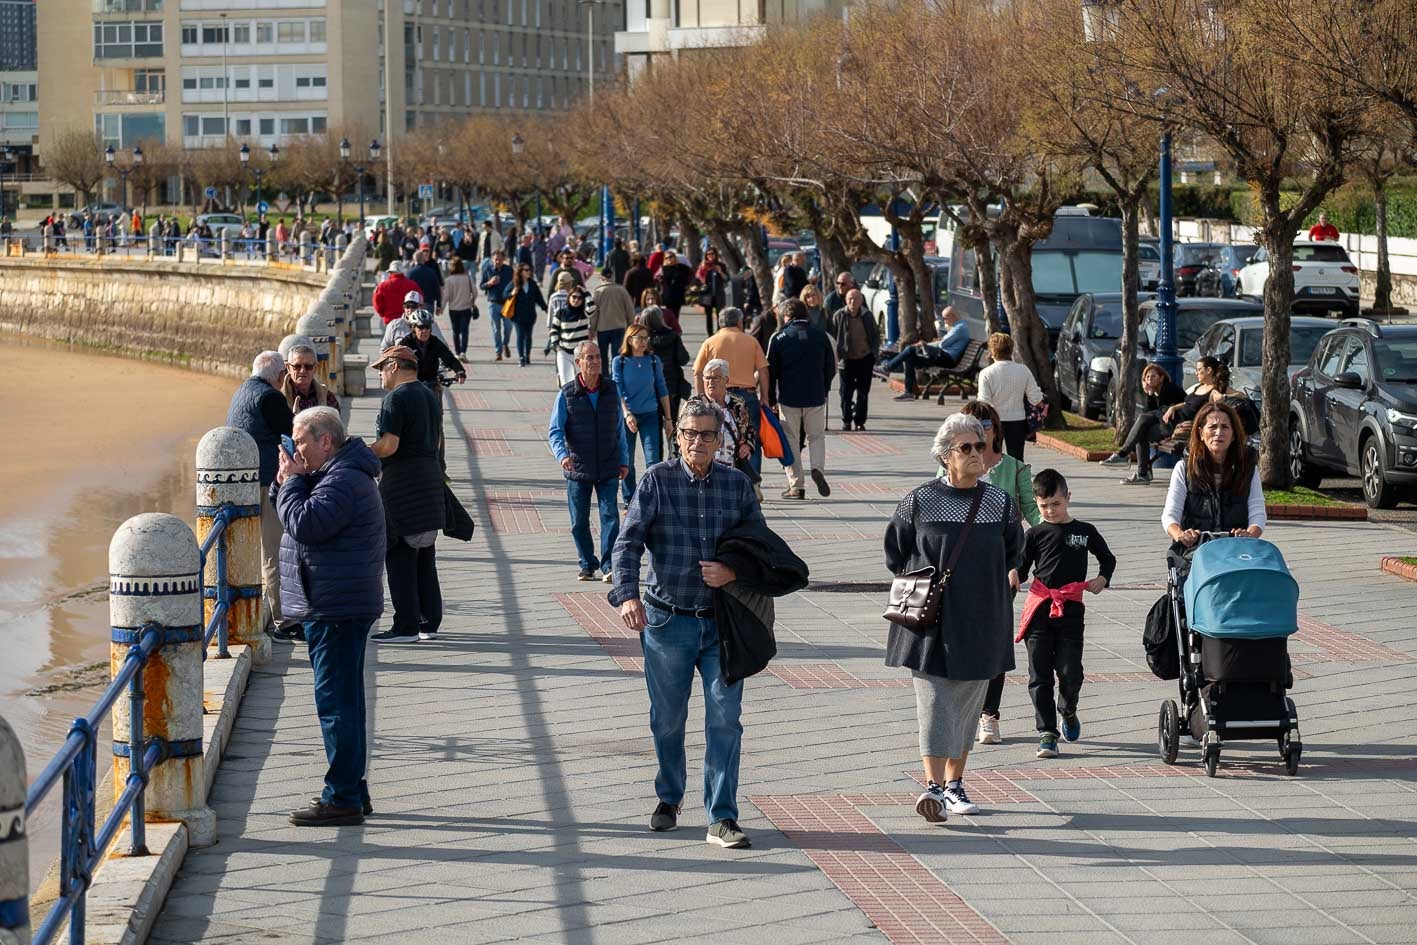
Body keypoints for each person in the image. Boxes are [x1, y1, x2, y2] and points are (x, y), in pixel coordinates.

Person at [608, 399, 765, 849]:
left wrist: (732, 572)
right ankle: (669, 797)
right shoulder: (658, 480)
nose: (699, 442)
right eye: (690, 434)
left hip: (722, 626)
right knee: (668, 721)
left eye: (708, 435)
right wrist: (627, 595)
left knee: (725, 719)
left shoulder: (736, 486)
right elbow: (628, 542)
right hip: (666, 620)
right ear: (677, 436)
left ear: (721, 440)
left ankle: (722, 816)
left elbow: (761, 548)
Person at [885, 413, 1023, 824]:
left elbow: (1016, 550)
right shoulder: (919, 500)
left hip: (983, 618)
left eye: (980, 446)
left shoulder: (1000, 502)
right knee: (934, 703)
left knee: (966, 707)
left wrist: (1012, 572)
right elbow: (896, 552)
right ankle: (932, 788)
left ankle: (954, 784)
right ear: (946, 456)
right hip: (931, 622)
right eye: (966, 447)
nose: (976, 454)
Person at [272, 406, 384, 827]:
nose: (296, 450)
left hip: (336, 607)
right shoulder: (336, 474)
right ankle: (353, 788)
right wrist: (288, 480)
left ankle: (341, 796)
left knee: (337, 705)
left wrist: (295, 482)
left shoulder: (343, 479)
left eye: (301, 442)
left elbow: (304, 521)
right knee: (347, 703)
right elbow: (290, 505)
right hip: (337, 602)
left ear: (325, 441)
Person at [1008, 469, 1115, 760]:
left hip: (1071, 609)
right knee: (1039, 673)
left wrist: (1102, 579)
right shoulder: (1035, 533)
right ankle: (1047, 733)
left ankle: (1068, 709)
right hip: (1040, 608)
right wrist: (1015, 573)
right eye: (1043, 506)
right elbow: (1021, 562)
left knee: (1070, 671)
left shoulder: (1084, 531)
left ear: (1068, 498)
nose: (1050, 511)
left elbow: (1107, 558)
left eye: (1055, 504)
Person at [954, 400, 1040, 746]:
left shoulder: (1014, 468)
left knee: (995, 642)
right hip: (958, 568)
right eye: (972, 425)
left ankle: (989, 715)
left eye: (986, 425)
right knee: (959, 640)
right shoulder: (950, 466)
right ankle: (962, 708)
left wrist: (1057, 534)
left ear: (996, 430)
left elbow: (1033, 512)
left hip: (1001, 568)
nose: (980, 431)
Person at [369, 346, 447, 642]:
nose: (379, 375)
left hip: (402, 484)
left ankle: (406, 625)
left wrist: (360, 451)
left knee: (399, 552)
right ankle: (430, 620)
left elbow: (389, 445)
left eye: (381, 368)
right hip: (429, 479)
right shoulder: (429, 394)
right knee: (425, 553)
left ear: (393, 366)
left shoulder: (396, 398)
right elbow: (437, 439)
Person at [227, 352, 295, 639]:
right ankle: (284, 621)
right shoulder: (271, 398)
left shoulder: (242, 391)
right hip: (267, 482)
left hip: (242, 483)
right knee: (274, 552)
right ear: (280, 376)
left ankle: (251, 614)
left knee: (255, 553)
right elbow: (290, 435)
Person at [548, 341, 630, 581]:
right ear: (578, 363)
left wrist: (624, 461)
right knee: (579, 521)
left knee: (610, 517)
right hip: (578, 466)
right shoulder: (566, 394)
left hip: (607, 464)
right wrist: (562, 455)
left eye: (597, 357)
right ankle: (586, 563)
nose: (595, 362)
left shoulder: (611, 390)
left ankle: (609, 566)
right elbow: (555, 430)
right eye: (589, 358)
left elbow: (619, 430)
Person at [1110, 357, 1234, 485]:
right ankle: (1138, 469)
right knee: (1142, 428)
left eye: (1199, 370)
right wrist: (1174, 407)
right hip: (1174, 417)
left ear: (1209, 370)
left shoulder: (1215, 389)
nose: (1196, 373)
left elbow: (1240, 395)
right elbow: (1187, 403)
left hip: (1180, 424)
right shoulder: (1199, 387)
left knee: (1143, 421)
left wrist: (1224, 397)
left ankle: (1125, 457)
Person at [1163, 400, 1266, 551]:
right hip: (1196, 550)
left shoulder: (1248, 467)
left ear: (1234, 435)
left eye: (1225, 427)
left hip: (1235, 549)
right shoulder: (1184, 468)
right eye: (1212, 427)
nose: (1219, 433)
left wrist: (1249, 534)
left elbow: (1258, 513)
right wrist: (1182, 535)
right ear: (1201, 433)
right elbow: (1170, 515)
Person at [767, 299, 836, 500]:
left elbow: (771, 371)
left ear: (786, 316)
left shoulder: (779, 338)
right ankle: (817, 468)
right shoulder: (821, 336)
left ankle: (796, 485)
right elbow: (830, 366)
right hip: (815, 395)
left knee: (791, 440)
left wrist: (771, 397)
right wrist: (824, 389)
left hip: (789, 397)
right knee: (817, 436)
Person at [694, 307, 770, 478]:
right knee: (751, 440)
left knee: (720, 438)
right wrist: (764, 397)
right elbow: (763, 371)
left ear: (720, 322)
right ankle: (752, 481)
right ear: (739, 322)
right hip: (747, 396)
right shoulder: (750, 341)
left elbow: (697, 372)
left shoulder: (710, 342)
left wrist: (702, 397)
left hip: (720, 396)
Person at [612, 326, 672, 503]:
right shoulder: (620, 361)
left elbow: (662, 388)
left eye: (646, 338)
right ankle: (630, 499)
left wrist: (668, 419)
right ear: (630, 340)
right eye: (639, 338)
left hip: (650, 415)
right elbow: (618, 389)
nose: (643, 342)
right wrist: (627, 413)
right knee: (627, 461)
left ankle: (652, 497)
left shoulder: (653, 361)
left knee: (652, 460)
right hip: (628, 417)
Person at [1099, 363, 1186, 471]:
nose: (1150, 379)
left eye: (1153, 376)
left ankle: (1124, 455)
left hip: (1178, 427)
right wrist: (1149, 395)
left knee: (1142, 423)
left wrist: (1167, 409)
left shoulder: (1168, 388)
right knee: (1141, 431)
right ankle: (1142, 473)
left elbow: (1160, 412)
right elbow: (1149, 413)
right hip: (1166, 425)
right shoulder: (1155, 393)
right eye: (1147, 377)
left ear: (1161, 378)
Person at [880, 306, 971, 400]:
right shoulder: (957, 326)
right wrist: (927, 344)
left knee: (910, 349)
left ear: (952, 316)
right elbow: (942, 342)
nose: (944, 321)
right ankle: (909, 393)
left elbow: (943, 344)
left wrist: (927, 345)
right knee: (910, 359)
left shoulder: (960, 327)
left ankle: (887, 368)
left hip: (948, 358)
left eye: (945, 318)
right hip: (944, 355)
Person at [977, 332, 1043, 460]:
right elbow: (1036, 399)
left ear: (992, 351)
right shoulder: (1023, 370)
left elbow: (983, 402)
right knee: (1017, 458)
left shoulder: (986, 373)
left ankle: (995, 479)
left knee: (992, 458)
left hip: (994, 421)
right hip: (1017, 420)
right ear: (1011, 350)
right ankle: (1018, 479)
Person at [698, 362, 758, 483]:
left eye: (716, 378)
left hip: (732, 470)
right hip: (702, 471)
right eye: (707, 378)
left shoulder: (738, 404)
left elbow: (750, 430)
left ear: (726, 380)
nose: (710, 382)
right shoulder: (695, 406)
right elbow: (678, 438)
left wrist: (747, 446)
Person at [831, 288, 880, 432]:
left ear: (861, 300)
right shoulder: (839, 315)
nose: (853, 302)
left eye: (856, 299)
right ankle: (846, 420)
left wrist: (874, 353)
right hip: (846, 360)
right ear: (846, 300)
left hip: (864, 359)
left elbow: (875, 336)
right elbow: (833, 336)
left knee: (863, 393)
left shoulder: (867, 316)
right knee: (845, 393)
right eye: (850, 299)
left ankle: (860, 421)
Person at [639, 306, 692, 425]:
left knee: (654, 427)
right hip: (672, 384)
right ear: (660, 319)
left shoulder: (642, 341)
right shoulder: (673, 336)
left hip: (649, 388)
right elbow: (684, 359)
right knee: (672, 423)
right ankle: (672, 443)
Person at [396, 308, 466, 389]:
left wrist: (460, 371)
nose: (425, 331)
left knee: (437, 396)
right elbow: (395, 361)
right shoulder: (405, 343)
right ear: (413, 328)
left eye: (427, 327)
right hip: (411, 384)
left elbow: (450, 358)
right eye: (421, 327)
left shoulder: (435, 342)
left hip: (431, 384)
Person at [549, 284, 592, 385]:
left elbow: (592, 307)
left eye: (579, 298)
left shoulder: (585, 313)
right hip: (564, 352)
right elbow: (553, 330)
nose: (576, 300)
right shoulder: (561, 313)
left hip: (581, 353)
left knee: (582, 382)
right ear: (569, 297)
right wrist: (556, 346)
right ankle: (567, 399)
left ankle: (580, 400)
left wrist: (586, 292)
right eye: (574, 297)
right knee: (566, 382)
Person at [591, 269, 635, 366]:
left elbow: (594, 313)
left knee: (603, 356)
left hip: (602, 328)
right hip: (619, 327)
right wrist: (630, 325)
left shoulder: (598, 291)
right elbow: (630, 310)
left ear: (602, 278)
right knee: (617, 356)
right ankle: (616, 377)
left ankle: (605, 378)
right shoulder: (622, 290)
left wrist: (592, 329)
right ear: (613, 277)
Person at [508, 262, 549, 366]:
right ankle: (521, 357)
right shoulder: (514, 283)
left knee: (528, 336)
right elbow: (504, 295)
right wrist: (512, 293)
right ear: (520, 272)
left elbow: (539, 298)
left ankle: (527, 356)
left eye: (529, 270)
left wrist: (546, 309)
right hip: (517, 315)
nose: (528, 272)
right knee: (520, 335)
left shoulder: (532, 284)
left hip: (530, 315)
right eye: (526, 270)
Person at [281, 344, 341, 414]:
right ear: (288, 367)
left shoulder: (327, 397)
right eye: (297, 366)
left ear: (315, 368)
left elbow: (335, 423)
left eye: (308, 366)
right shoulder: (278, 398)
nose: (302, 370)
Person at [480, 248, 514, 362]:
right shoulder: (488, 270)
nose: (497, 262)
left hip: (507, 303)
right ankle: (498, 351)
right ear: (492, 260)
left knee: (508, 327)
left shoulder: (509, 270)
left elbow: (515, 283)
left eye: (499, 259)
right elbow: (481, 285)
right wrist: (489, 283)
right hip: (493, 303)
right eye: (495, 260)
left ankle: (505, 344)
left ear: (503, 259)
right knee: (496, 329)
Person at [380, 292, 448, 349]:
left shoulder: (431, 325)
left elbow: (444, 348)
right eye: (407, 306)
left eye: (414, 306)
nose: (410, 310)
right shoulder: (394, 325)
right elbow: (384, 348)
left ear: (422, 307)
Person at [443, 257, 479, 358]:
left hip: (453, 309)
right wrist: (472, 302)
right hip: (466, 308)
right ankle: (463, 352)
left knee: (455, 331)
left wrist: (441, 308)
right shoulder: (467, 278)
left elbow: (446, 296)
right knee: (465, 331)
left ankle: (457, 353)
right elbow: (475, 292)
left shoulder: (449, 280)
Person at [656, 249, 695, 333]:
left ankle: (675, 331)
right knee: (668, 313)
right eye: (667, 258)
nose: (669, 259)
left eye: (671, 257)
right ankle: (670, 330)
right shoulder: (663, 269)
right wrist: (660, 280)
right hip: (668, 295)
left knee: (676, 314)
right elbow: (657, 278)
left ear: (675, 257)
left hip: (678, 294)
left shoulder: (682, 267)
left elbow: (691, 275)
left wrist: (686, 285)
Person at [372, 262, 422, 326]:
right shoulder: (413, 285)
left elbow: (376, 302)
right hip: (409, 319)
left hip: (390, 320)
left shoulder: (382, 286)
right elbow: (420, 300)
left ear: (391, 272)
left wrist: (383, 314)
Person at [696, 247, 730, 335]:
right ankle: (710, 334)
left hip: (718, 294)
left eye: (712, 254)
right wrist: (703, 270)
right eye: (708, 254)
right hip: (707, 295)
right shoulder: (704, 266)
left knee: (720, 315)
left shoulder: (721, 265)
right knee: (709, 316)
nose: (710, 256)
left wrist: (720, 271)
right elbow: (699, 279)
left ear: (716, 255)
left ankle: (719, 333)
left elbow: (726, 279)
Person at [406, 249, 443, 315]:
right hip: (429, 303)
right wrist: (439, 304)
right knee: (427, 324)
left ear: (414, 260)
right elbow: (437, 289)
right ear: (423, 260)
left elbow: (406, 290)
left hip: (414, 304)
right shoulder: (431, 272)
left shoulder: (410, 273)